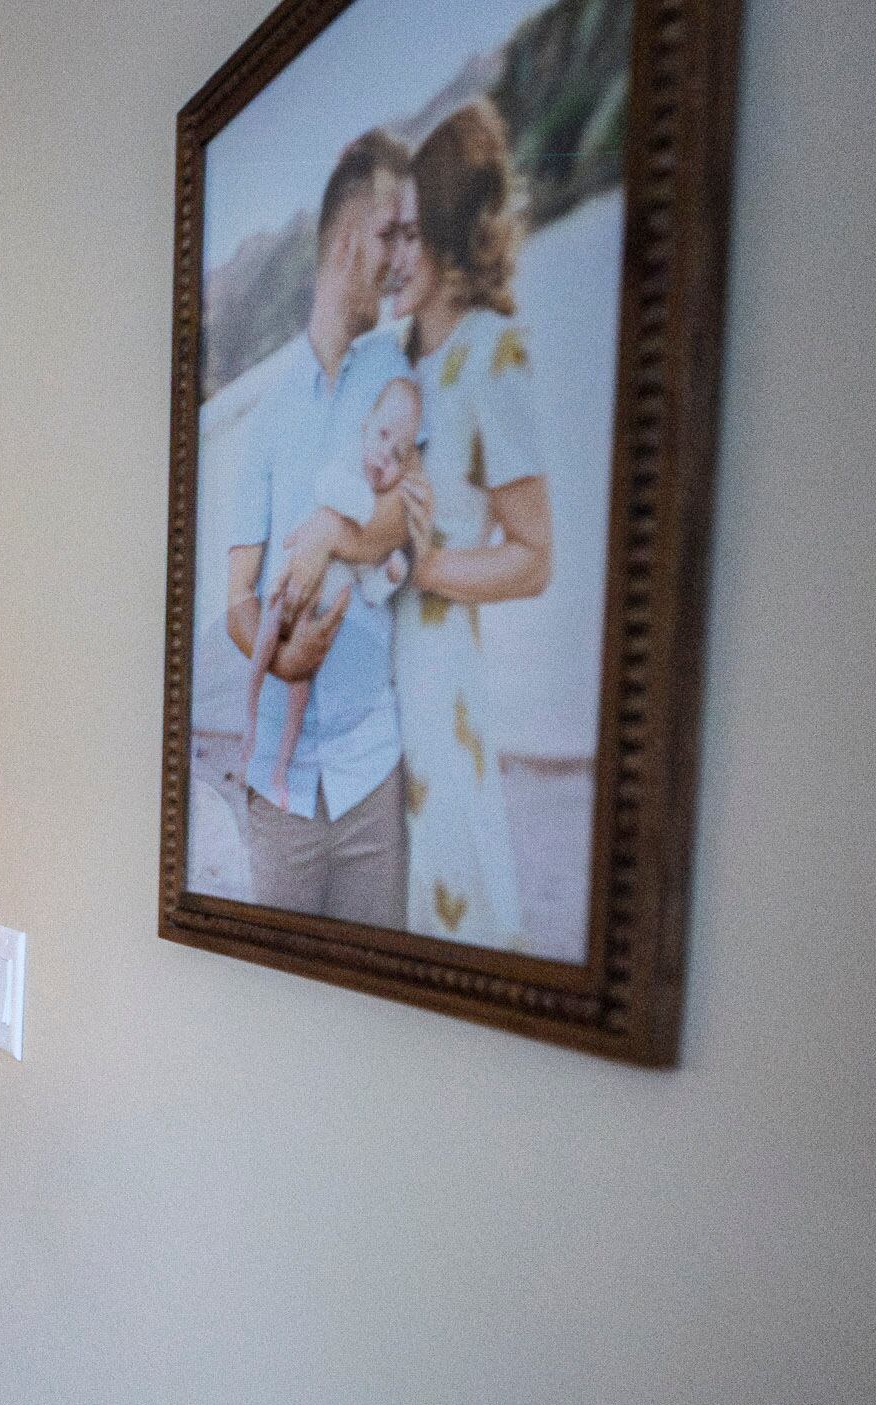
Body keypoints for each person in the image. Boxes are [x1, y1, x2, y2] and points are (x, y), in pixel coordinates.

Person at [221, 129, 424, 924]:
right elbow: (238, 597)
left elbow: (403, 522)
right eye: (387, 235)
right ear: (346, 240)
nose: (398, 258)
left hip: (374, 776)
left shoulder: (398, 375)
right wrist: (279, 655)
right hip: (280, 794)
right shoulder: (266, 421)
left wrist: (336, 535)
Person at [392, 99, 552, 949]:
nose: (394, 255)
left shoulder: (495, 353)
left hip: (439, 685)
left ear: (451, 235)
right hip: (367, 694)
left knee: (451, 907)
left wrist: (431, 572)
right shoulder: (392, 362)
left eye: (411, 232)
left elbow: (533, 558)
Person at [239, 374, 426, 808]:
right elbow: (330, 492)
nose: (383, 455)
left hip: (317, 621)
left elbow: (367, 581)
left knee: (299, 693)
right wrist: (363, 521)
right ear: (365, 427)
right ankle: (249, 720)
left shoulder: (375, 518)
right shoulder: (345, 468)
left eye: (396, 455)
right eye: (381, 435)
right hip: (290, 595)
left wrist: (389, 574)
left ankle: (282, 769)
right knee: (265, 648)